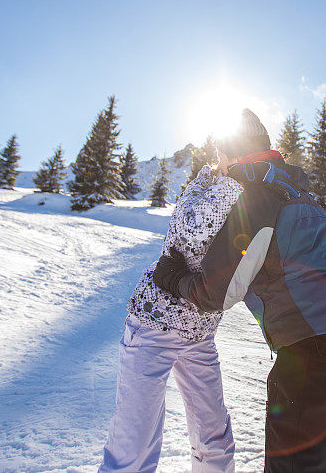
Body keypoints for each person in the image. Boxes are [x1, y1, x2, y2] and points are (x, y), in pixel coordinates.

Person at [154, 108, 326, 472]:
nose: (219, 168)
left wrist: (172, 276)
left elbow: (218, 293)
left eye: (220, 158)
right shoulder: (298, 193)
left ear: (234, 155)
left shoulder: (257, 198)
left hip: (315, 356)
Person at [98, 159, 243, 472]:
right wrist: (237, 183)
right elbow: (193, 228)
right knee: (133, 447)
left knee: (215, 439)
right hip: (154, 322)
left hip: (200, 334)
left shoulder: (253, 194)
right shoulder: (208, 182)